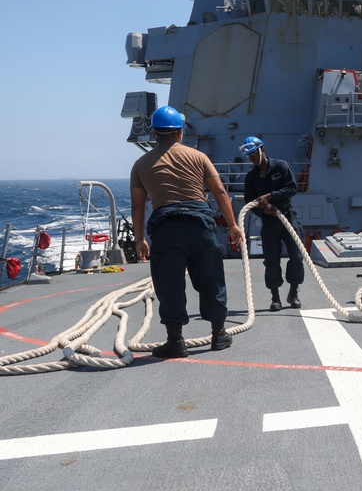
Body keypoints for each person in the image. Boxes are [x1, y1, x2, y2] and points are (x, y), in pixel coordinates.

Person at [130, 105, 243, 358]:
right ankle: (218, 334)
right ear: (180, 132)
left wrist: (140, 240)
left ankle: (176, 342)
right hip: (199, 224)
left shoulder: (140, 164)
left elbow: (138, 205)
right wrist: (233, 225)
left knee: (169, 283)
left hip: (166, 228)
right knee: (210, 278)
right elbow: (220, 193)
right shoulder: (199, 157)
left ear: (155, 133)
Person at [240, 136, 305, 312]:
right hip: (269, 222)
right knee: (271, 261)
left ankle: (293, 292)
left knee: (296, 257)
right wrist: (262, 211)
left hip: (287, 216)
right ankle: (275, 297)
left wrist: (270, 196)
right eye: (249, 156)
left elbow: (292, 188)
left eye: (254, 153)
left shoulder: (281, 166)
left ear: (263, 149)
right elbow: (249, 201)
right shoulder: (251, 177)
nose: (252, 158)